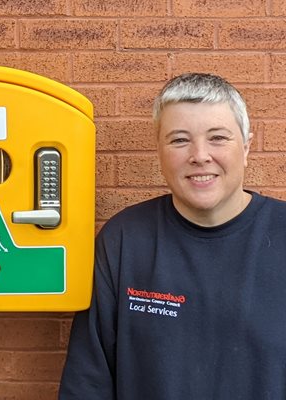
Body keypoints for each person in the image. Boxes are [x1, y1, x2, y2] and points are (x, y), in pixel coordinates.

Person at [59, 73, 286, 399]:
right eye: (179, 140)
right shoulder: (124, 240)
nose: (200, 155)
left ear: (247, 147)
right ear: (160, 152)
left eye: (218, 138)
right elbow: (87, 383)